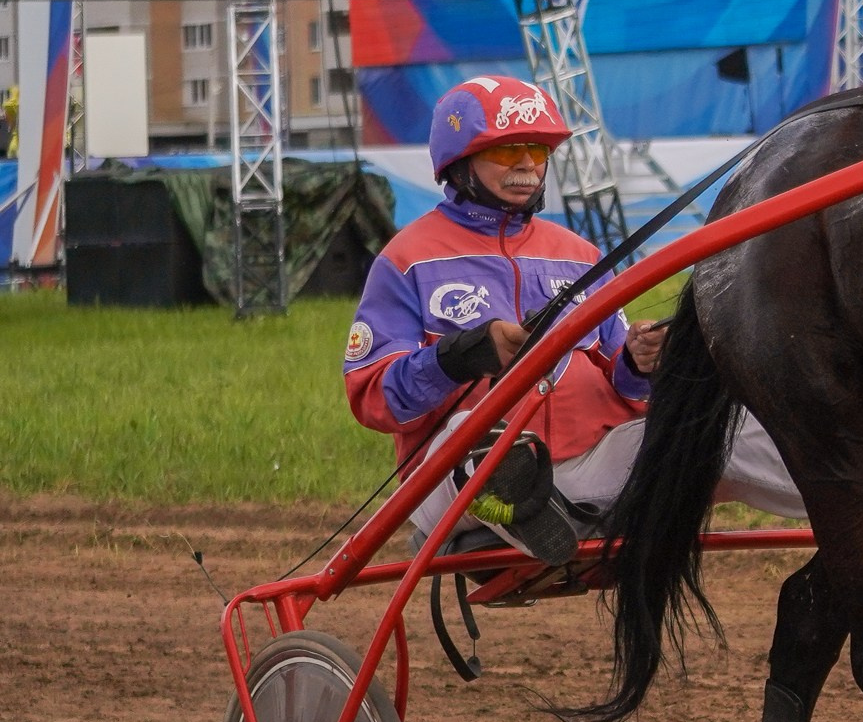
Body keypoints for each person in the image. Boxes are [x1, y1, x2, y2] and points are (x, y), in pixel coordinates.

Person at [343, 74, 803, 564]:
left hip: (585, 472)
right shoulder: (406, 260)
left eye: (538, 152)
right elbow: (374, 400)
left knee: (721, 423)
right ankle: (530, 508)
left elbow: (626, 388)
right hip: (456, 485)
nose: (526, 164)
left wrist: (640, 361)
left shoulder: (580, 257)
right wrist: (461, 356)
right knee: (475, 433)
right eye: (506, 151)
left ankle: (861, 489)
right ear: (458, 164)